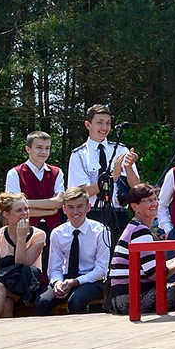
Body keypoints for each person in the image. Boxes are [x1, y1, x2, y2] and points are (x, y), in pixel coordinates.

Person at [107, 183, 175, 314]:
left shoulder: (135, 226)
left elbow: (150, 267)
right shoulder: (140, 231)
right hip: (131, 299)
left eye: (155, 199)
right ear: (135, 206)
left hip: (122, 298)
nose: (154, 204)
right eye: (149, 201)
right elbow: (155, 274)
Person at [67, 104, 141, 246]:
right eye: (99, 123)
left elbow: (137, 188)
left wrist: (128, 167)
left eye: (108, 123)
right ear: (88, 125)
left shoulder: (121, 150)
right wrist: (112, 177)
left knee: (121, 257)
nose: (104, 128)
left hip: (119, 214)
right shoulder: (79, 155)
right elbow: (80, 192)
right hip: (93, 214)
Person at [34, 187, 110, 316]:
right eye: (70, 207)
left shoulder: (101, 231)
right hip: (65, 278)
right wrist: (57, 282)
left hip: (91, 279)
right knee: (42, 302)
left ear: (88, 207)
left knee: (76, 301)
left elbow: (101, 269)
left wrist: (77, 281)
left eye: (80, 206)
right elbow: (54, 268)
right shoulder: (57, 233)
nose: (75, 212)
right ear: (64, 209)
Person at [5, 130, 65, 269]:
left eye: (47, 148)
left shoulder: (57, 172)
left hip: (53, 229)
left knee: (52, 268)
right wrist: (49, 210)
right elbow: (15, 209)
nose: (44, 152)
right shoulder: (14, 173)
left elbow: (58, 202)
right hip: (24, 230)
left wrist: (25, 203)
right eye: (39, 147)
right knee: (26, 268)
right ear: (28, 149)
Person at [0, 192, 46, 318]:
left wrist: (21, 238)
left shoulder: (39, 235)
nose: (24, 213)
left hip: (28, 285)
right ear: (6, 214)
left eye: (26, 209)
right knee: (6, 304)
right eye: (19, 210)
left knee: (1, 286)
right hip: (4, 286)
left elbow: (22, 264)